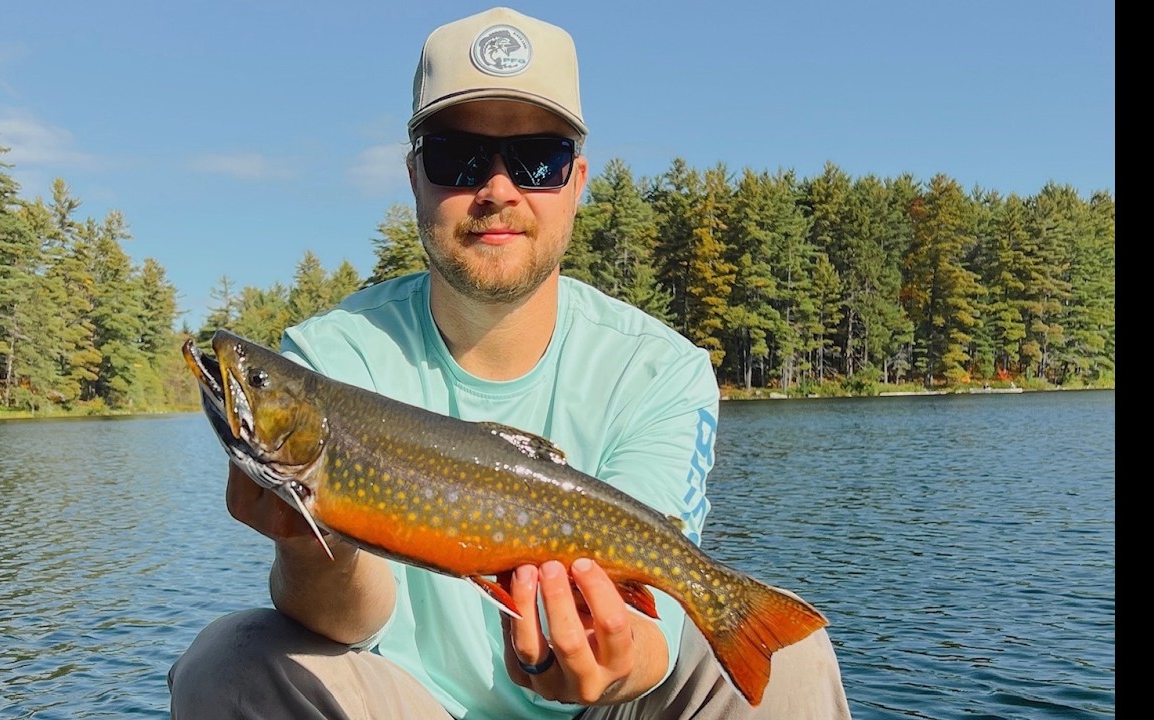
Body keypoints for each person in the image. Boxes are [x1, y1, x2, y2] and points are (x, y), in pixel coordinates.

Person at [168, 7, 851, 719]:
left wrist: (613, 662)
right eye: (456, 157)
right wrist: (312, 542)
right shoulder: (328, 359)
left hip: (609, 712)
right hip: (403, 705)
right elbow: (350, 623)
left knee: (795, 657)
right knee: (229, 663)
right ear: (414, 178)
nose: (498, 188)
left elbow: (656, 633)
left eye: (538, 159)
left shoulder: (662, 370)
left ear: (578, 181)